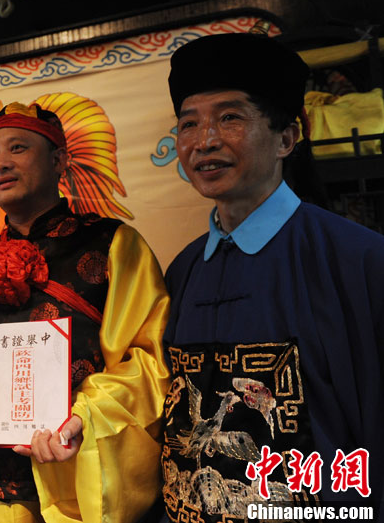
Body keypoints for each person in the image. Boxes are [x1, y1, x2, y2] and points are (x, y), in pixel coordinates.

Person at [0, 103, 171, 523]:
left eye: (18, 148)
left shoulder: (112, 245)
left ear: (59, 160)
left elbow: (148, 362)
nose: (1, 163)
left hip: (74, 477)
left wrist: (83, 417)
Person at [161, 32, 384, 521]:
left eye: (230, 118)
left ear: (287, 138)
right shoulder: (181, 272)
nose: (204, 141)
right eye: (188, 124)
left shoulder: (359, 261)